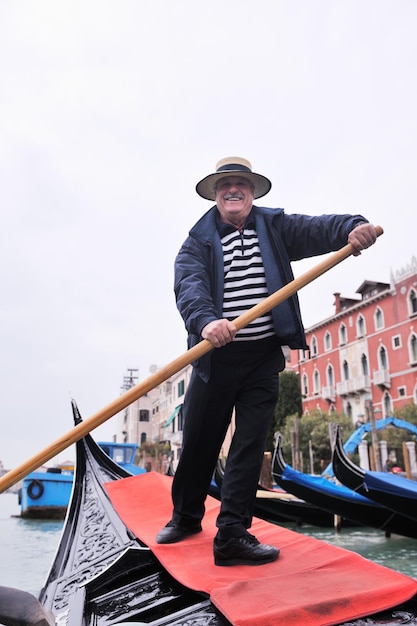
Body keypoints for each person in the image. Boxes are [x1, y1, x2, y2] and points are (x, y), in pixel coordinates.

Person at [156, 157, 377, 566]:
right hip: (215, 357)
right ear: (216, 194)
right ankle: (186, 517)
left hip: (262, 358)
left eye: (241, 183)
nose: (233, 190)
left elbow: (318, 228)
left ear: (252, 192)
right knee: (200, 443)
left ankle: (233, 535)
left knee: (248, 445)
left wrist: (354, 225)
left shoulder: (274, 228)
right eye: (226, 185)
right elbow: (189, 287)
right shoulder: (197, 242)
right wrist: (206, 322)